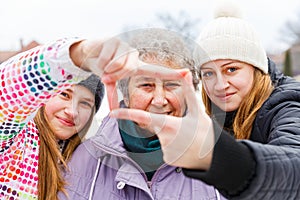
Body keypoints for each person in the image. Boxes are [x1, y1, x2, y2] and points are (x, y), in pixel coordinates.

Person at [110, 4, 300, 200]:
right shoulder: (220, 116)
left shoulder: (287, 106)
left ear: (256, 69)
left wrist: (219, 157)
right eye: (208, 73)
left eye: (231, 69)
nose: (220, 85)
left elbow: (294, 168)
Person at [58, 28, 225, 200]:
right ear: (127, 96)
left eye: (171, 85)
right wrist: (78, 52)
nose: (159, 100)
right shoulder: (81, 160)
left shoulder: (219, 162)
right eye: (146, 85)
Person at [0, 37, 140, 200]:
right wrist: (77, 54)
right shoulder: (14, 141)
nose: (72, 111)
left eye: (85, 104)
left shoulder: (86, 160)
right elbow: (7, 88)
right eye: (65, 95)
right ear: (44, 95)